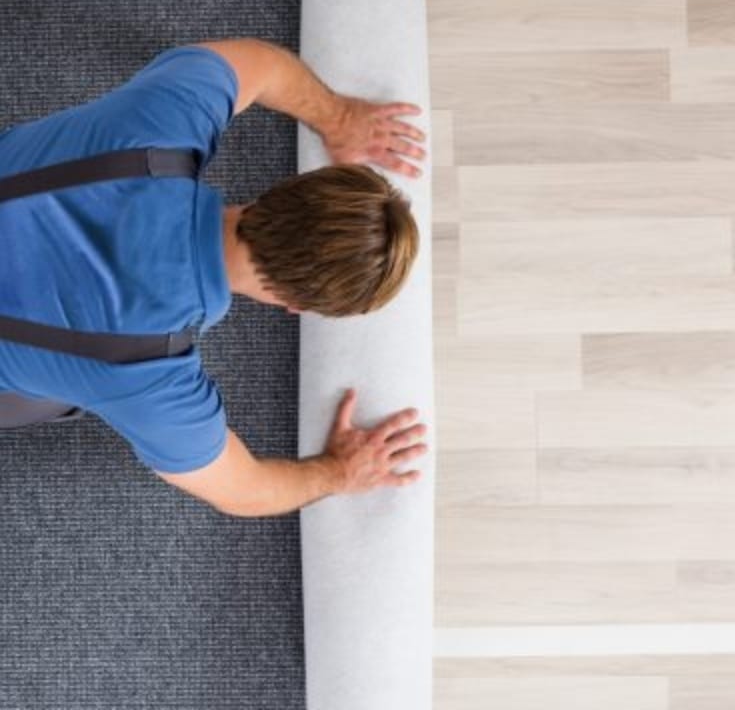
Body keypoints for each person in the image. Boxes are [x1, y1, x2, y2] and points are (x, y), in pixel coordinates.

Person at [0, 37, 429, 517]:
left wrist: (338, 116)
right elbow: (245, 489)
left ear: (285, 191)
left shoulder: (162, 125)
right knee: (57, 393)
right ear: (295, 305)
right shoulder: (151, 378)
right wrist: (338, 472)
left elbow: (263, 67)